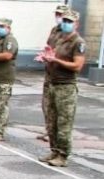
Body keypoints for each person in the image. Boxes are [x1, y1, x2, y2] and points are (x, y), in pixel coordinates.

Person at [36, 9, 86, 167]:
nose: (65, 24)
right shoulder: (59, 38)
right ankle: (54, 150)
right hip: (52, 82)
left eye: (69, 22)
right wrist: (46, 58)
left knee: (64, 123)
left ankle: (63, 155)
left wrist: (57, 61)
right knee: (52, 121)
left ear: (76, 24)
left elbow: (77, 66)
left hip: (66, 86)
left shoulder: (78, 42)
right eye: (64, 21)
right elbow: (51, 55)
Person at [37, 4, 70, 142]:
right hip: (49, 71)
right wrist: (43, 56)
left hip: (60, 74)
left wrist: (53, 57)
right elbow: (49, 47)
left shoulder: (69, 35)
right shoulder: (54, 30)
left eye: (61, 15)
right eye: (57, 14)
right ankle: (49, 130)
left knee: (58, 107)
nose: (58, 17)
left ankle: (55, 134)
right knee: (47, 104)